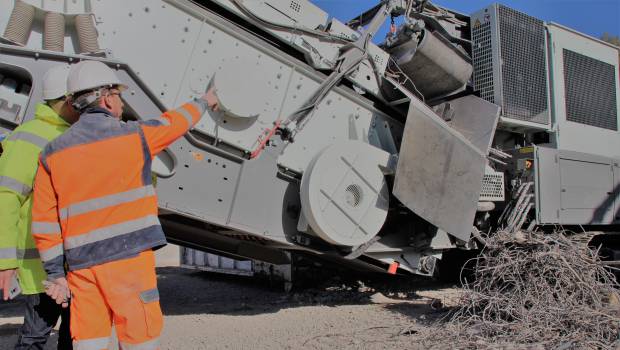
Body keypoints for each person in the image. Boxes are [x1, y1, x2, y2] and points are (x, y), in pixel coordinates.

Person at [31, 60, 218, 349]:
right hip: (130, 262)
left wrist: (56, 275)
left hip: (82, 269)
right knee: (139, 340)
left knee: (89, 342)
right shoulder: (135, 136)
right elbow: (175, 122)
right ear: (106, 98)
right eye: (119, 95)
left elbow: (44, 221)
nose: (121, 103)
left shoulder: (51, 154)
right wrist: (205, 101)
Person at [0, 65, 78, 350]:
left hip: (77, 262)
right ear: (68, 99)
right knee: (34, 338)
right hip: (42, 268)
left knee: (74, 337)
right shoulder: (29, 136)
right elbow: (5, 198)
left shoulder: (79, 133)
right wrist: (5, 260)